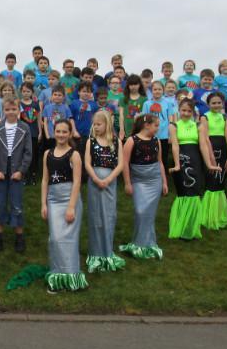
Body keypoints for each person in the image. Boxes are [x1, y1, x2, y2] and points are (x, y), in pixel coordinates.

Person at [41, 120, 86, 292]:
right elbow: (45, 180)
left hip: (69, 199)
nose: (61, 135)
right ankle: (58, 277)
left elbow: (77, 182)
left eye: (64, 132)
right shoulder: (47, 154)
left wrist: (71, 207)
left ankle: (71, 277)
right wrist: (43, 203)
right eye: (58, 131)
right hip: (53, 200)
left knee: (68, 240)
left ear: (69, 133)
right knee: (55, 239)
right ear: (54, 132)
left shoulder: (74, 155)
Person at [121, 113, 167, 259]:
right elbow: (124, 163)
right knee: (140, 211)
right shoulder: (131, 140)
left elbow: (160, 162)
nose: (158, 128)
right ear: (146, 125)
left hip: (154, 180)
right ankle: (139, 243)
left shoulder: (156, 140)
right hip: (139, 180)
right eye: (156, 125)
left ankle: (148, 244)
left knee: (149, 214)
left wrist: (164, 182)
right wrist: (127, 183)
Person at [0, 98, 33, 253]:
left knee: (17, 204)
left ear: (18, 110)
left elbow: (28, 152)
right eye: (7, 109)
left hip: (17, 170)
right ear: (3, 111)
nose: (11, 112)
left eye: (14, 109)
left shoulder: (24, 128)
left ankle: (19, 237)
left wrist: (21, 171)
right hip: (1, 169)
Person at [84, 109, 125, 271]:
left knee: (109, 216)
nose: (95, 127)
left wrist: (108, 179)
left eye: (98, 124)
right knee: (95, 217)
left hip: (110, 184)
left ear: (107, 124)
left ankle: (107, 250)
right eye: (94, 124)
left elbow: (120, 164)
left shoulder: (116, 142)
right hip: (94, 184)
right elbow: (87, 163)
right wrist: (96, 179)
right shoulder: (91, 141)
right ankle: (96, 252)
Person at [168, 99, 204, 240]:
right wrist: (177, 164)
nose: (186, 113)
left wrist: (209, 163)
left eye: (189, 111)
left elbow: (203, 145)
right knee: (183, 192)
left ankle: (191, 227)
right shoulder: (174, 126)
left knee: (194, 192)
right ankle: (181, 225)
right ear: (179, 110)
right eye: (183, 110)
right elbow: (175, 145)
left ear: (193, 112)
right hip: (181, 160)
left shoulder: (198, 125)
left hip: (195, 161)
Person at [200, 92, 227, 230]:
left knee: (220, 181)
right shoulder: (205, 117)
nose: (216, 105)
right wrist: (211, 156)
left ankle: (219, 213)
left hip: (223, 150)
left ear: (222, 103)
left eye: (219, 102)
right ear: (208, 104)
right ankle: (208, 214)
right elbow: (205, 137)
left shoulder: (225, 117)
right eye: (213, 103)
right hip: (210, 149)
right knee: (211, 181)